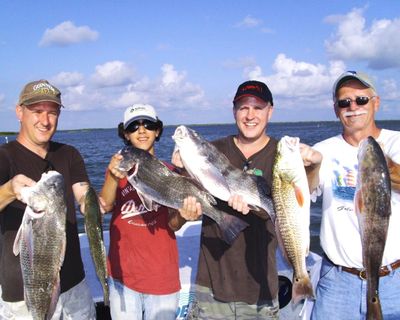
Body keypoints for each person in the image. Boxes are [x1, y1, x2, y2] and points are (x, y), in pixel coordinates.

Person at [172, 80, 320, 319]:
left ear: (270, 111)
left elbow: (299, 200)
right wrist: (181, 169)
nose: (250, 115)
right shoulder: (212, 150)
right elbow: (185, 196)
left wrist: (315, 166)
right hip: (210, 287)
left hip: (260, 288)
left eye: (258, 108)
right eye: (243, 107)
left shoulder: (282, 155)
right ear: (234, 111)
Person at [0, 79, 96, 319]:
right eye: (37, 111)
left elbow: (83, 194)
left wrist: (92, 203)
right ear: (19, 112)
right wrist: (10, 190)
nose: (45, 121)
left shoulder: (69, 154)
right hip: (23, 295)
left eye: (52, 113)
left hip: (74, 285)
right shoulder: (4, 157)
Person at [309, 71, 400, 319]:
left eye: (361, 100)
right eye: (344, 102)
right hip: (338, 281)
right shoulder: (323, 150)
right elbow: (303, 195)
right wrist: (306, 167)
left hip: (395, 280)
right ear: (336, 110)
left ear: (376, 103)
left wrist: (387, 166)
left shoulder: (397, 143)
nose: (353, 107)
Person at [100, 104, 200, 320]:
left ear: (158, 131)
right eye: (134, 126)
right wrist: (112, 176)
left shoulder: (170, 172)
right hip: (122, 276)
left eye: (149, 125)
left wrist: (184, 214)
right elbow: (105, 206)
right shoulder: (118, 169)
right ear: (125, 134)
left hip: (161, 276)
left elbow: (173, 224)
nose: (142, 130)